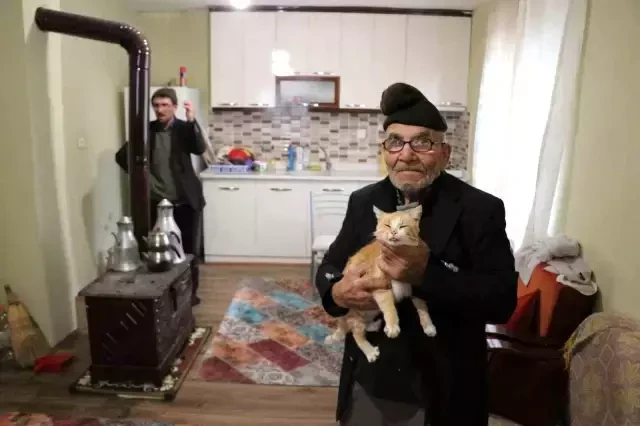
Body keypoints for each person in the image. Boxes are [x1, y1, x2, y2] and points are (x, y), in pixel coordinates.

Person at [315, 82, 518, 426]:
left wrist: (427, 274)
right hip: (373, 378)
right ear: (385, 151)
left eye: (422, 142)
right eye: (395, 142)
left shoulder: (480, 210)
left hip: (446, 381)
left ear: (445, 153)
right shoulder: (364, 201)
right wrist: (336, 292)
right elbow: (330, 266)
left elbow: (501, 302)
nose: (406, 154)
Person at [116, 87, 207, 306]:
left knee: (187, 252)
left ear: (174, 107)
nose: (160, 110)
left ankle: (190, 296)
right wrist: (142, 177)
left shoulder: (184, 128)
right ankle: (164, 296)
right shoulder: (145, 131)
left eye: (165, 105)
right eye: (156, 105)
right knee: (157, 251)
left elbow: (199, 148)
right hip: (155, 203)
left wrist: (192, 120)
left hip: (184, 201)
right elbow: (122, 157)